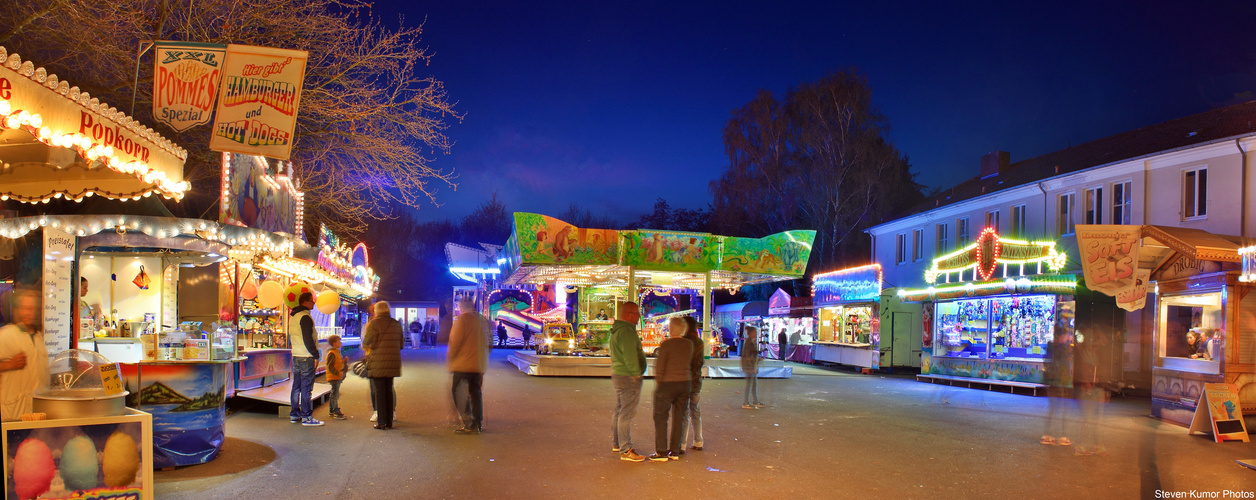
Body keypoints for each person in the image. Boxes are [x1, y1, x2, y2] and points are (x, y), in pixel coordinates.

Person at [649, 317, 693, 462]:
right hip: (685, 383)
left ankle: (661, 452)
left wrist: (659, 382)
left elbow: (660, 366)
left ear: (671, 329)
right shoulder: (689, 345)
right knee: (679, 418)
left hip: (668, 384)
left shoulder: (666, 345)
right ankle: (675, 451)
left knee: (661, 417)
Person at [0, 291, 48, 422]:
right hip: (12, 413)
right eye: (25, 308)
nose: (28, 313)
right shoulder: (6, 335)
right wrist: (10, 364)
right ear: (18, 310)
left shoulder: (38, 338)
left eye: (32, 309)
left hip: (35, 413)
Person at [610, 302, 647, 462]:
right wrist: (636, 373)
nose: (639, 316)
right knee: (626, 413)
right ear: (628, 314)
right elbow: (630, 354)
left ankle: (618, 443)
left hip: (619, 374)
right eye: (637, 313)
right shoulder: (626, 331)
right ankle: (626, 449)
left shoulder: (618, 330)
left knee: (620, 410)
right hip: (627, 376)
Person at [448, 298, 490, 434]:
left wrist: (452, 358)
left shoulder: (463, 320)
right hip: (477, 363)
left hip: (463, 364)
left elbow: (456, 342)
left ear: (461, 307)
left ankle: (468, 420)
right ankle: (478, 422)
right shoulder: (482, 320)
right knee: (475, 392)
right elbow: (489, 341)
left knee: (456, 390)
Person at [364, 301, 404, 430]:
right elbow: (401, 345)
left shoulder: (374, 323)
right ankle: (389, 421)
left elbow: (367, 341)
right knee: (388, 390)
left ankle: (381, 422)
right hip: (393, 362)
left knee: (380, 392)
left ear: (377, 311)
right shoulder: (396, 324)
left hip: (378, 362)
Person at [288, 293, 323, 427]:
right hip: (306, 356)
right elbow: (308, 339)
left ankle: (294, 414)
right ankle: (307, 417)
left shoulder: (293, 316)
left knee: (296, 387)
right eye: (311, 301)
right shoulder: (305, 317)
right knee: (306, 388)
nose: (313, 304)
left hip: (296, 355)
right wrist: (315, 355)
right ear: (305, 302)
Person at [680, 316, 705, 452]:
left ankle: (682, 444)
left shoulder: (683, 342)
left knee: (684, 413)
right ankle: (698, 441)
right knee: (695, 411)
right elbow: (701, 362)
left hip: (684, 382)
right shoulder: (700, 342)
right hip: (696, 382)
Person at [325, 335, 346, 420]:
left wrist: (344, 362)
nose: (340, 342)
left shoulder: (336, 352)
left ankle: (332, 410)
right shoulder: (332, 353)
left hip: (335, 376)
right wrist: (338, 373)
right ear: (334, 343)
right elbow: (330, 366)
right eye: (339, 341)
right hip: (334, 376)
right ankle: (335, 411)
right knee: (335, 394)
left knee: (334, 393)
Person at [742, 326, 763, 409]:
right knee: (750, 384)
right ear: (750, 333)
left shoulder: (751, 341)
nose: (756, 334)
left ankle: (755, 401)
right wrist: (752, 367)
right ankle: (746, 402)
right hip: (749, 366)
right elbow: (748, 355)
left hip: (751, 366)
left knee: (753, 384)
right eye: (754, 332)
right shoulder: (749, 342)